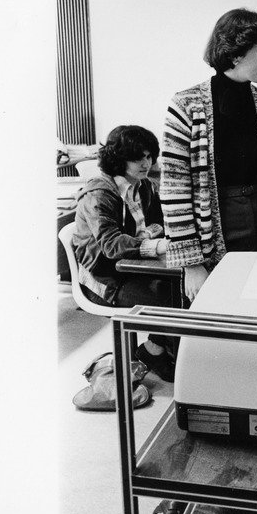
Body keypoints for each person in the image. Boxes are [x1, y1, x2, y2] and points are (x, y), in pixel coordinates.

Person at [150, 7, 257, 514]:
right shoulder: (186, 104)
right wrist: (191, 261)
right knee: (205, 353)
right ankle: (185, 478)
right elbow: (172, 184)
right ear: (236, 52)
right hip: (212, 236)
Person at [72, 125, 175, 381]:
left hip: (131, 269)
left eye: (150, 156)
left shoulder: (144, 187)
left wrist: (148, 236)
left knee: (183, 289)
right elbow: (111, 245)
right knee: (175, 301)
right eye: (137, 157)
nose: (147, 163)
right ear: (118, 159)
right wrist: (154, 243)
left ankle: (155, 348)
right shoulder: (100, 193)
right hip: (103, 282)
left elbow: (160, 223)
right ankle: (157, 351)